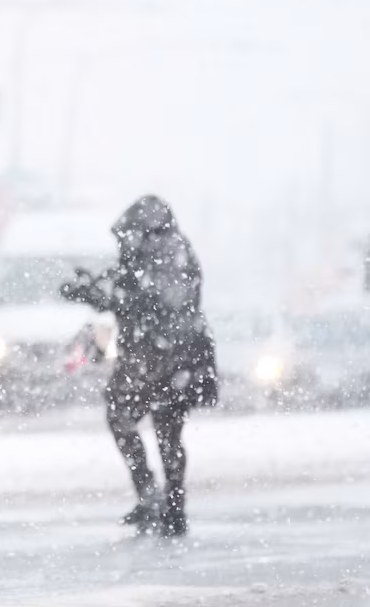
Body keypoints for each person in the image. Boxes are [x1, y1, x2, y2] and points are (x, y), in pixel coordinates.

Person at [60, 195, 217, 538]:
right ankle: (164, 501)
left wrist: (105, 296)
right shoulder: (155, 252)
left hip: (165, 356)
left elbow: (160, 300)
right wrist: (95, 291)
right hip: (162, 356)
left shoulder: (168, 252)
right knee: (161, 429)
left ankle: (161, 501)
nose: (124, 243)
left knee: (146, 422)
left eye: (129, 235)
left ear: (144, 229)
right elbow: (132, 293)